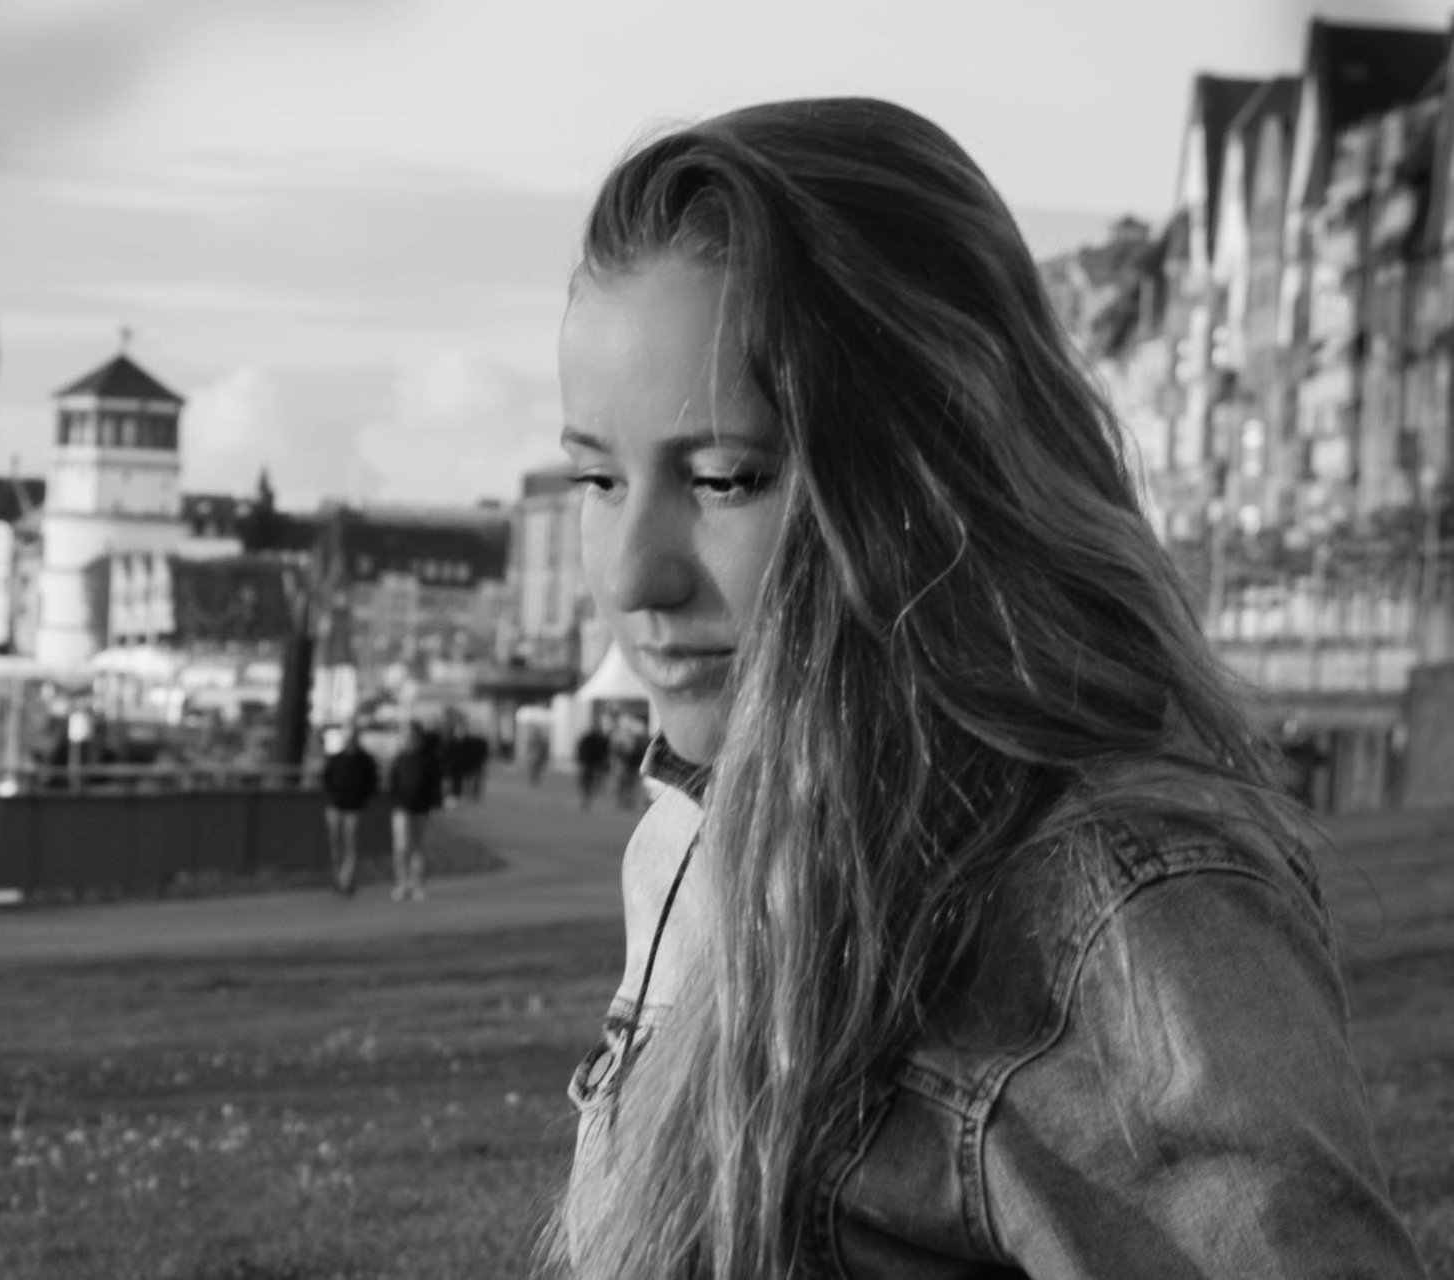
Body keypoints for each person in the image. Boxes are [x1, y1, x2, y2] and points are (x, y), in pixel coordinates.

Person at [546, 99, 1426, 1278]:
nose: (628, 574)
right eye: (596, 480)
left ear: (934, 472)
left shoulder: (1114, 920)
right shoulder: (690, 836)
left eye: (723, 477)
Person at [319, 727, 379, 895]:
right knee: (335, 845)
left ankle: (347, 880)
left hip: (354, 808)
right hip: (335, 806)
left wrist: (363, 798)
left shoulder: (365, 760)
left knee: (351, 844)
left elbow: (372, 782)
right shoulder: (336, 758)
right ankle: (337, 878)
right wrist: (332, 795)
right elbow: (326, 778)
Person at [385, 722, 441, 901]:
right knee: (401, 847)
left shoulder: (428, 760)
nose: (409, 740)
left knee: (418, 848)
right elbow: (391, 784)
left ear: (419, 738)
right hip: (401, 809)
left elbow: (434, 785)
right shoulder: (398, 759)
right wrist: (395, 802)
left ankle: (417, 885)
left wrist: (434, 803)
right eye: (406, 736)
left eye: (412, 736)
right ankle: (402, 884)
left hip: (421, 809)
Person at [574, 719, 611, 811]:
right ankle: (587, 796)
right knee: (589, 782)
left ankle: (587, 797)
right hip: (591, 763)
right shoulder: (598, 739)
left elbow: (604, 753)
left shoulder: (593, 739)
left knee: (588, 782)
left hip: (591, 763)